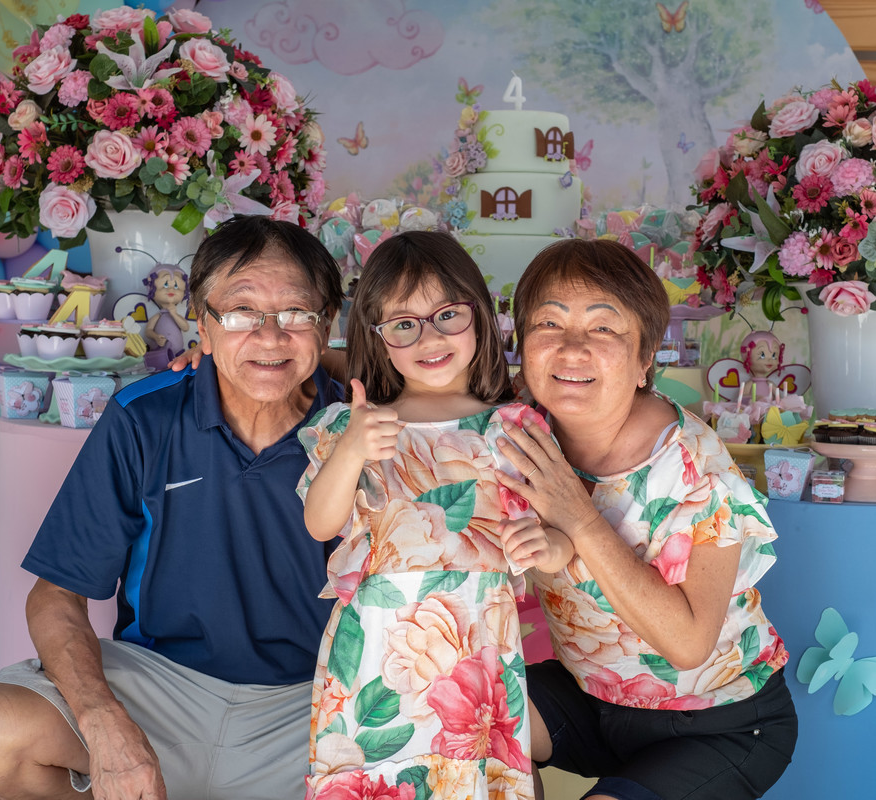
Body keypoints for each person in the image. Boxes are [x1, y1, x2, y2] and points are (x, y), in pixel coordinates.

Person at [0, 214, 346, 800]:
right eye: (240, 312)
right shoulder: (144, 417)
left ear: (327, 323)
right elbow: (56, 595)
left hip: (310, 702)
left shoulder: (362, 427)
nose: (270, 337)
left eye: (295, 313)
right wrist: (104, 724)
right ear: (202, 326)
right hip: (160, 690)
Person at [493, 238, 797, 800]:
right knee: (473, 710)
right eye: (549, 324)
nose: (572, 348)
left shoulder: (694, 471)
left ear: (644, 358)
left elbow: (688, 643)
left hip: (719, 722)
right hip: (595, 700)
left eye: (603, 328)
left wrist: (579, 516)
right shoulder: (525, 429)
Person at [296, 230, 573, 800]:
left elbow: (564, 537)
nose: (430, 337)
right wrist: (351, 450)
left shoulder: (516, 427)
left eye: (447, 314)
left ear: (480, 314)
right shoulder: (355, 424)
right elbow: (320, 524)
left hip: (479, 651)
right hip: (376, 653)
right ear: (378, 337)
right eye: (404, 324)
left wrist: (549, 547)